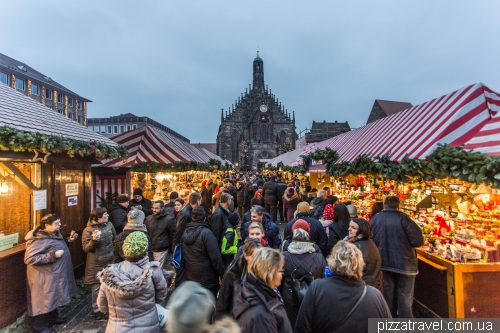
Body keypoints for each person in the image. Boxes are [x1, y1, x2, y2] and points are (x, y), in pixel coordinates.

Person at [294, 241, 391, 333]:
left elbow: (302, 327)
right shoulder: (374, 296)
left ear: (332, 263)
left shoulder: (317, 288)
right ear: (360, 265)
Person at [97, 231, 167, 333]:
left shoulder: (109, 274)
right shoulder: (154, 270)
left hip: (117, 328)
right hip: (148, 325)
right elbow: (161, 296)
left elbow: (102, 306)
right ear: (145, 250)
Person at [371, 196, 424, 318]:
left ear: (385, 205)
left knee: (389, 292)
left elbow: (371, 238)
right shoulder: (404, 219)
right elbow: (417, 240)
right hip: (405, 263)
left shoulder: (376, 219)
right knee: (405, 295)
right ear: (398, 205)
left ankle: (390, 319)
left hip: (385, 261)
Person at [25, 214, 78, 333]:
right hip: (44, 276)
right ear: (46, 225)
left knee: (52, 297)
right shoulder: (37, 240)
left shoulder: (52, 234)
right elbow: (29, 258)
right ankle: (40, 328)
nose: (60, 225)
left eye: (59, 222)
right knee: (43, 301)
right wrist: (52, 256)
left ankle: (53, 318)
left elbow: (54, 246)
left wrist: (68, 241)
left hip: (53, 274)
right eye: (57, 223)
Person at [233, 248, 292, 333]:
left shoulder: (249, 291)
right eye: (280, 270)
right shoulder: (263, 314)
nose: (282, 273)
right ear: (270, 273)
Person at [281, 227, 326, 326]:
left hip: (290, 297)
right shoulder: (318, 257)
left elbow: (280, 280)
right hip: (313, 297)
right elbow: (324, 279)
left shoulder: (284, 256)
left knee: (292, 323)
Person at [182, 206, 225, 299]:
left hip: (192, 274)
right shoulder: (206, 233)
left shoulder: (186, 231)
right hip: (207, 277)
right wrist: (222, 274)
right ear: (204, 217)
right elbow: (215, 257)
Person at [82, 207, 116, 320]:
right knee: (97, 287)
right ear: (98, 218)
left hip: (109, 260)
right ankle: (97, 310)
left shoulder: (110, 225)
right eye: (105, 215)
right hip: (96, 263)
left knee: (110, 285)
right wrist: (94, 241)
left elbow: (115, 240)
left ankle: (109, 308)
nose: (107, 216)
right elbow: (86, 249)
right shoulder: (88, 230)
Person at [216, 239, 262, 320]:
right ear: (245, 255)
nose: (257, 260)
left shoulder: (264, 273)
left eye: (259, 256)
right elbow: (222, 302)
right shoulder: (233, 273)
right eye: (254, 256)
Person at [344, 218, 382, 291]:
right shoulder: (367, 242)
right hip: (370, 286)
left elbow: (352, 271)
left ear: (361, 230)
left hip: (363, 287)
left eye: (353, 228)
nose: (349, 229)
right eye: (349, 226)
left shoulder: (357, 247)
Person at [173, 192, 202, 287]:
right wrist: (178, 247)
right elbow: (179, 232)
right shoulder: (186, 214)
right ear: (198, 201)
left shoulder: (188, 211)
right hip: (182, 247)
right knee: (181, 273)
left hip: (184, 246)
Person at [145, 200, 176, 268]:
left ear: (162, 208)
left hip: (161, 248)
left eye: (156, 208)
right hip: (150, 247)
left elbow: (173, 234)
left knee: (157, 269)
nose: (154, 210)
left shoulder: (169, 219)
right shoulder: (149, 218)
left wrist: (172, 248)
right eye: (153, 208)